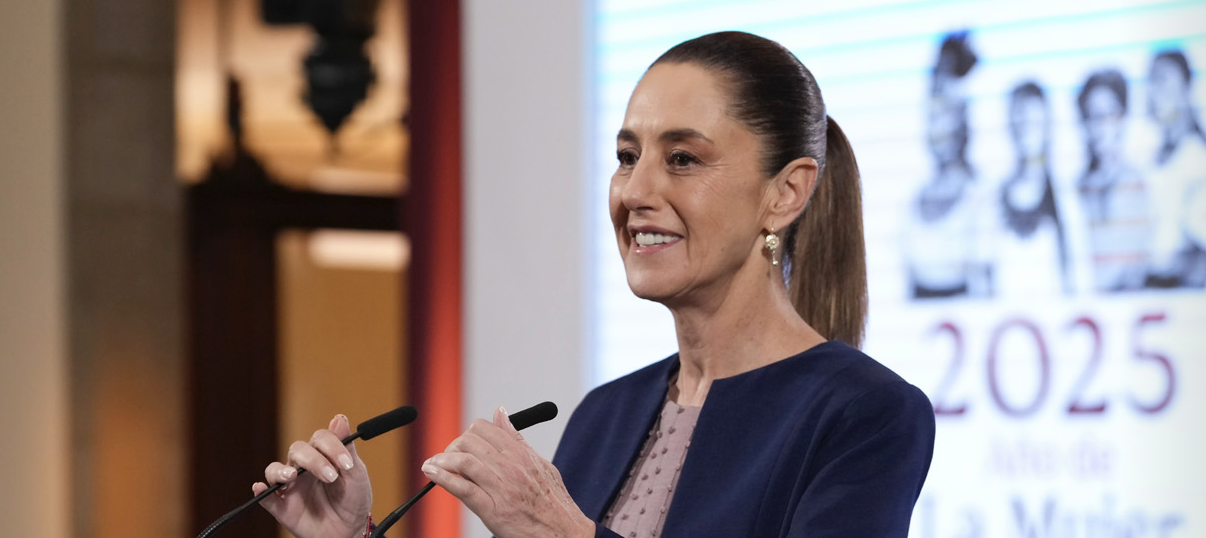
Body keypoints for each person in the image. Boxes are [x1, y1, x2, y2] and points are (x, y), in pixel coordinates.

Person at [254, 31, 936, 538]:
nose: (635, 191)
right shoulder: (608, 413)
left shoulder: (866, 415)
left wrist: (561, 532)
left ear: (786, 193)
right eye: (626, 157)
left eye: (683, 159)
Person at [904, 31, 994, 299]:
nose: (938, 125)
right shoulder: (911, 201)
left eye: (947, 113)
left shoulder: (980, 197)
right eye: (933, 114)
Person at [1075, 68, 1152, 292]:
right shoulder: (1075, 189)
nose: (1098, 127)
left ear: (1122, 117)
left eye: (1106, 115)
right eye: (1090, 116)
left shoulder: (1139, 185)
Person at [992, 81, 1072, 296]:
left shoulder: (1065, 199)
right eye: (1021, 121)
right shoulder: (992, 199)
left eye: (1034, 123)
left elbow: (1076, 275)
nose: (1026, 131)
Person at [1144, 49, 1206, 288]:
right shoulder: (1153, 158)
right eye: (1151, 80)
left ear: (1186, 87)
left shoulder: (1197, 158)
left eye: (1162, 79)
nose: (1154, 91)